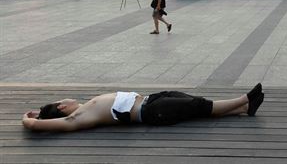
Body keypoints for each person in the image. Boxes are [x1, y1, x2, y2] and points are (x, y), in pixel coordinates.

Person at [22, 84, 265, 132]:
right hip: (150, 112)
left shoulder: (86, 106)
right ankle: (245, 98)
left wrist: (38, 112)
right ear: (62, 106)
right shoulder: (77, 117)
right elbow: (35, 124)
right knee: (197, 105)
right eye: (62, 100)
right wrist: (30, 119)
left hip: (151, 99)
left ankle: (243, 110)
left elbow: (38, 118)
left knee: (193, 103)